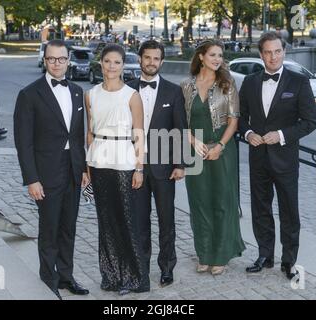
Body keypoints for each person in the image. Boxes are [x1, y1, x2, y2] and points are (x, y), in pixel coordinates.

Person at [14, 39, 90, 300]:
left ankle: (67, 277)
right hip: (45, 175)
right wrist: (32, 179)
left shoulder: (78, 92)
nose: (57, 63)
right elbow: (23, 142)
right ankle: (49, 279)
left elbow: (78, 135)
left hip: (72, 171)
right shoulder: (29, 94)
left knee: (69, 227)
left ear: (68, 60)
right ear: (44, 60)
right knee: (50, 228)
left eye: (62, 59)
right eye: (52, 59)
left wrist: (83, 169)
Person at [239, 32, 316, 280]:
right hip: (258, 158)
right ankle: (265, 255)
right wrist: (248, 133)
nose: (273, 57)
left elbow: (310, 122)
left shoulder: (299, 82)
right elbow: (240, 119)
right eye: (267, 52)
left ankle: (289, 260)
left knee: (289, 212)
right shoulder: (250, 82)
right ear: (260, 54)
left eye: (277, 51)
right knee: (261, 208)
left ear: (284, 52)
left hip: (285, 159)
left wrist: (282, 134)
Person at [85, 44, 149, 295]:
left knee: (126, 220)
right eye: (107, 61)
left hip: (124, 160)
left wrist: (139, 168)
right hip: (98, 161)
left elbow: (139, 134)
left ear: (123, 65)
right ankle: (110, 275)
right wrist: (86, 168)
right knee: (105, 221)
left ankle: (134, 278)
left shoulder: (131, 95)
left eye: (117, 62)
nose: (112, 66)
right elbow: (89, 133)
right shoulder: (90, 94)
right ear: (100, 63)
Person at [180, 40, 246, 276]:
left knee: (222, 202)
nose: (218, 59)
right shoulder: (186, 86)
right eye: (213, 54)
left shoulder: (228, 84)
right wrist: (192, 143)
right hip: (194, 150)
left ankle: (220, 254)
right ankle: (204, 254)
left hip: (222, 150)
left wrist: (220, 145)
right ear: (201, 57)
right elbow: (181, 123)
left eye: (220, 55)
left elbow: (234, 120)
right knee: (199, 203)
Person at [127, 40, 188, 287]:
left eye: (156, 58)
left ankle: (166, 268)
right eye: (147, 57)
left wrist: (181, 164)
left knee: (166, 219)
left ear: (161, 61)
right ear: (140, 59)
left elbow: (180, 129)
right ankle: (141, 267)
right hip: (135, 167)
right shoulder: (127, 89)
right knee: (139, 220)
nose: (151, 62)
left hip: (165, 167)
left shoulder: (174, 91)